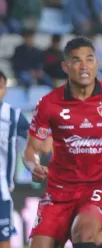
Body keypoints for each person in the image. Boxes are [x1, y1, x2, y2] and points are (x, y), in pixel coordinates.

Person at [22, 37, 102, 248]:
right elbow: (31, 149)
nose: (84, 66)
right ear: (65, 66)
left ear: (96, 63)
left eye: (89, 59)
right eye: (76, 60)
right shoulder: (48, 104)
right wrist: (33, 165)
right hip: (60, 189)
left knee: (84, 231)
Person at [0, 71, 30, 248]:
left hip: (1, 191)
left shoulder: (13, 116)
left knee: (3, 241)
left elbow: (35, 142)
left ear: (4, 89)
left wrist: (34, 165)